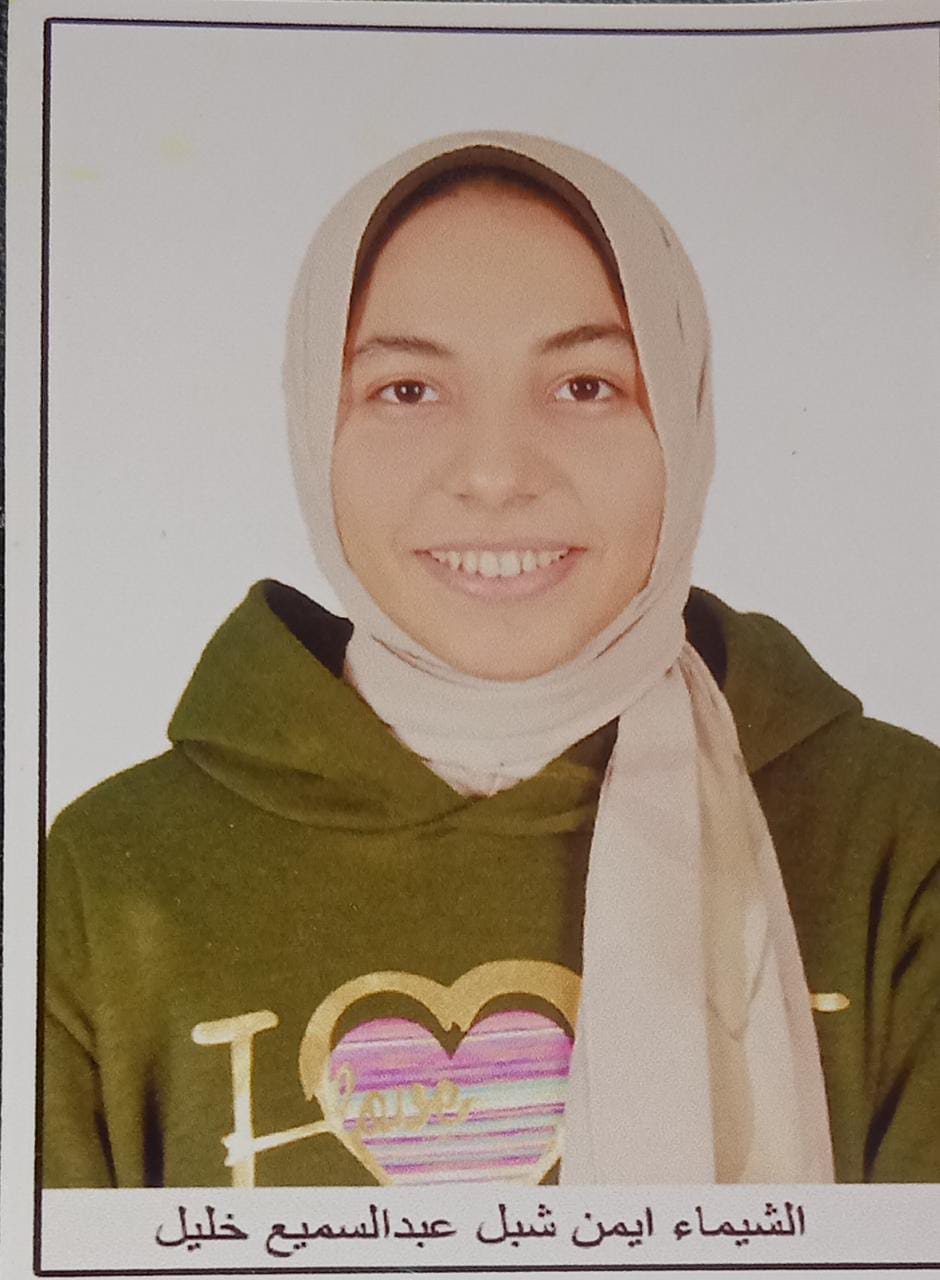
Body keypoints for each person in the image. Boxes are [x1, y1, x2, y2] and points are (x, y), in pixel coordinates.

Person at [42, 131, 940, 1189]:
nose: (496, 472)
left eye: (585, 385)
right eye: (408, 390)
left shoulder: (896, 837)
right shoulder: (112, 880)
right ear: (313, 425)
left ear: (685, 417)